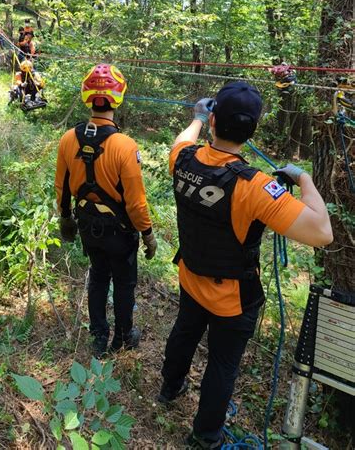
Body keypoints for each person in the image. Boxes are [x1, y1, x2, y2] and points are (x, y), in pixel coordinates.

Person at [158, 81, 333, 449]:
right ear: (252, 129)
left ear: (215, 120)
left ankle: (169, 388)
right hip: (231, 299)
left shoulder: (184, 160)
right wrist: (304, 179)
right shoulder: (256, 187)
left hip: (191, 275)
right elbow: (322, 233)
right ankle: (206, 436)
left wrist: (198, 117)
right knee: (222, 364)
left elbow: (181, 141)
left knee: (185, 332)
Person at [55, 64, 157, 356]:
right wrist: (148, 234)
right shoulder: (124, 146)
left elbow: (61, 187)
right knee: (124, 284)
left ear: (88, 97)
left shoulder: (68, 139)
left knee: (98, 276)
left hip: (88, 226)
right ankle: (124, 337)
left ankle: (99, 336)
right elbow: (136, 203)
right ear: (118, 98)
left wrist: (65, 220)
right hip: (120, 233)